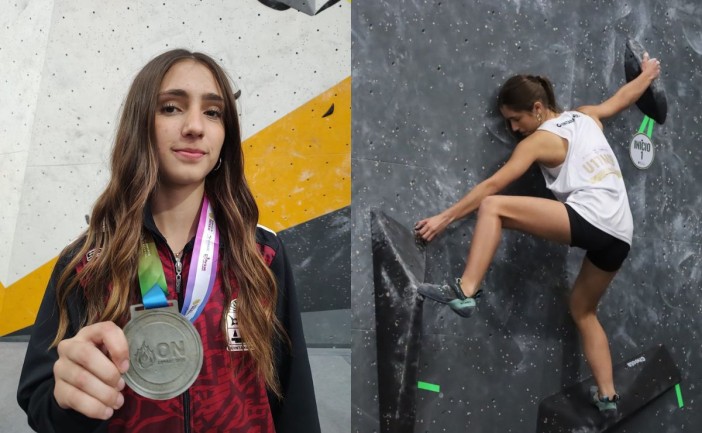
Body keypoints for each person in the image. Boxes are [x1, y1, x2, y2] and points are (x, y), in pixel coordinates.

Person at [17, 49, 320, 433]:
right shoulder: (87, 262)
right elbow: (40, 402)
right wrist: (71, 399)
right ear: (140, 123)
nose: (195, 126)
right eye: (171, 108)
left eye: (213, 112)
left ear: (225, 135)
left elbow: (295, 400)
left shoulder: (261, 254)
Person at [414, 53, 661, 414]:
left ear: (538, 108)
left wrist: (444, 217)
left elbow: (493, 185)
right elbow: (622, 99)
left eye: (516, 119)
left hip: (591, 218)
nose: (514, 129)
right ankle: (608, 396)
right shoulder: (586, 115)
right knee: (582, 309)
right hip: (620, 234)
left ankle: (465, 290)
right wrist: (648, 74)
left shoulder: (539, 141)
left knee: (494, 206)